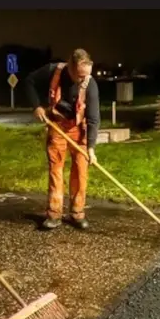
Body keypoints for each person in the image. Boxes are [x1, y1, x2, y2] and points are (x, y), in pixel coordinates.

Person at [25, 49, 101, 230]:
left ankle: (77, 213)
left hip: (78, 128)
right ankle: (54, 214)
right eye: (81, 76)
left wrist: (91, 148)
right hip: (57, 126)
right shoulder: (53, 71)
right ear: (71, 68)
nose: (84, 79)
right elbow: (29, 82)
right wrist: (37, 106)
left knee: (81, 171)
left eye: (87, 76)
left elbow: (93, 118)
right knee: (56, 169)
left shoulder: (90, 84)